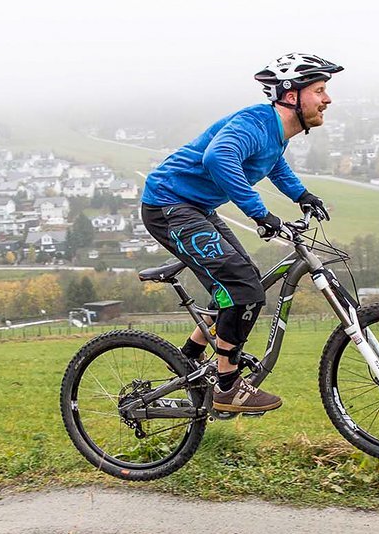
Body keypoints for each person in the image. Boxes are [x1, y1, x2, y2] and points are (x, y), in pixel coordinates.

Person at [140, 52, 342, 414]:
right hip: (168, 205)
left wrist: (302, 196)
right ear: (292, 95)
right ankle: (228, 387)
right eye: (320, 90)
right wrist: (260, 214)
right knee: (242, 289)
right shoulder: (254, 122)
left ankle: (188, 356)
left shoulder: (273, 134)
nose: (327, 99)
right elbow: (217, 158)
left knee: (245, 284)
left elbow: (272, 165)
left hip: (195, 208)